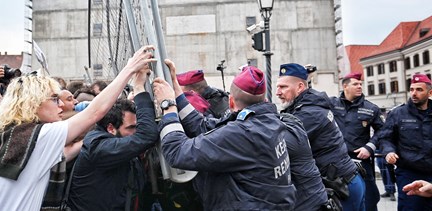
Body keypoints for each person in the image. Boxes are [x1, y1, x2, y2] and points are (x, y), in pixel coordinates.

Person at [0, 45, 156, 211]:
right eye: (54, 99)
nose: (60, 105)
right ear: (32, 104)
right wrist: (130, 70)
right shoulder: (38, 136)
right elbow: (95, 112)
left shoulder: (8, 136)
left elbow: (66, 154)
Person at [154, 61, 296, 210]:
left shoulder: (243, 133)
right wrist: (177, 92)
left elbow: (177, 152)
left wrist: (167, 106)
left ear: (231, 101)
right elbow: (204, 126)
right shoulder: (266, 121)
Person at [276, 63, 365, 211]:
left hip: (342, 186)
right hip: (343, 181)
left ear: (299, 87)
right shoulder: (306, 105)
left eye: (283, 87)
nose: (278, 92)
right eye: (278, 87)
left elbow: (280, 144)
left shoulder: (309, 113)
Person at [67, 69, 159, 210]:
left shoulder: (112, 137)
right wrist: (139, 87)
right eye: (131, 128)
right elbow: (146, 136)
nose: (136, 132)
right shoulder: (99, 147)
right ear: (110, 128)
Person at [330, 72, 384, 211]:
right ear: (345, 86)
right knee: (337, 197)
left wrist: (369, 147)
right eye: (355, 84)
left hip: (360, 160)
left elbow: (383, 131)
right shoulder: (332, 104)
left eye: (360, 84)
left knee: (369, 198)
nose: (359, 86)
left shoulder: (371, 108)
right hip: (336, 160)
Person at [379, 73, 432, 210]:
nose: (414, 93)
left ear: (429, 92)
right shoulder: (398, 113)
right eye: (412, 89)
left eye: (419, 90)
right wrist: (389, 151)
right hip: (409, 173)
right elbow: (385, 137)